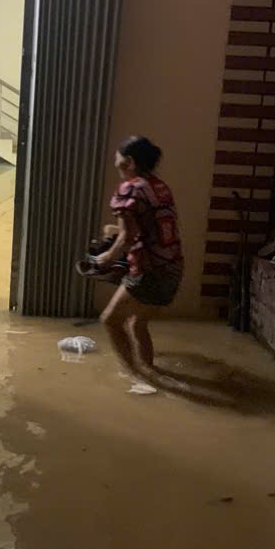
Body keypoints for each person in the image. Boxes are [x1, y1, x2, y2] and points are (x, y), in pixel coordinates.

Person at [94, 136, 183, 383]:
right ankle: (151, 371)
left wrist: (106, 258)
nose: (116, 163)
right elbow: (148, 228)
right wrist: (115, 231)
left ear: (129, 161)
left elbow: (127, 237)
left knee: (110, 321)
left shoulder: (130, 189)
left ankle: (135, 377)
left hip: (149, 273)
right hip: (172, 271)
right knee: (136, 323)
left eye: (118, 159)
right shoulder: (159, 187)